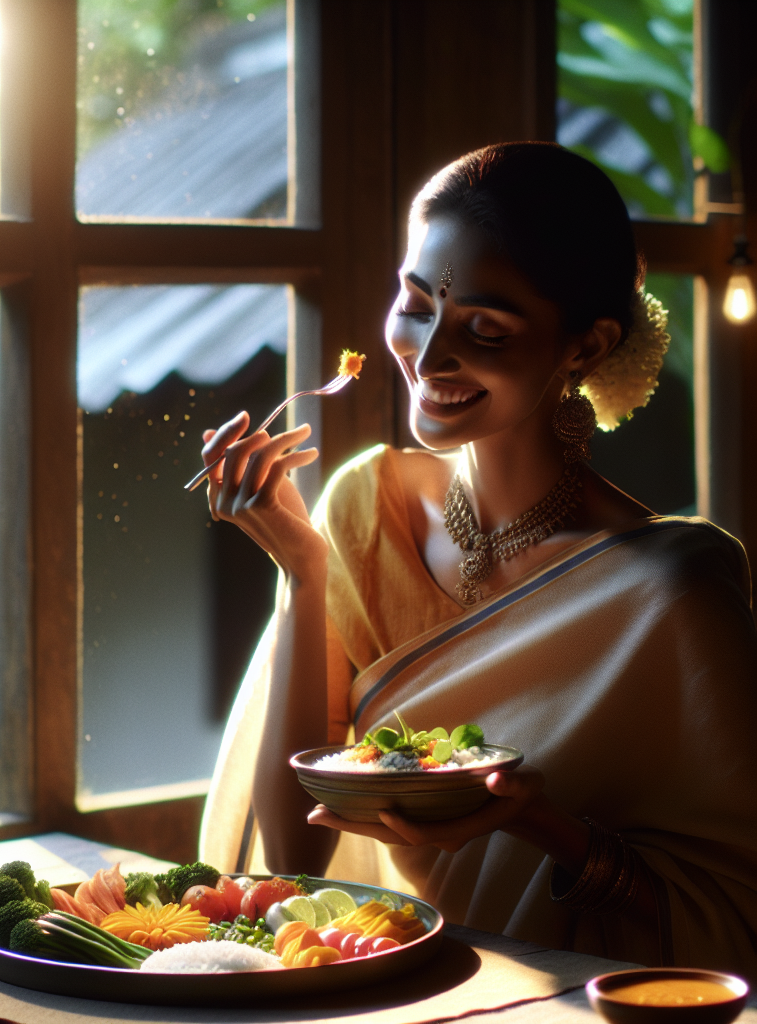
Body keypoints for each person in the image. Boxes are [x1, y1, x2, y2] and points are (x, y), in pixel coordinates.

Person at [195, 143, 756, 976]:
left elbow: (733, 913)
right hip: (389, 985)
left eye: (483, 328)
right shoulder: (366, 505)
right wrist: (302, 572)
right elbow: (291, 860)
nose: (427, 354)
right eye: (415, 303)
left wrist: (536, 824)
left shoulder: (669, 590)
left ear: (586, 347)